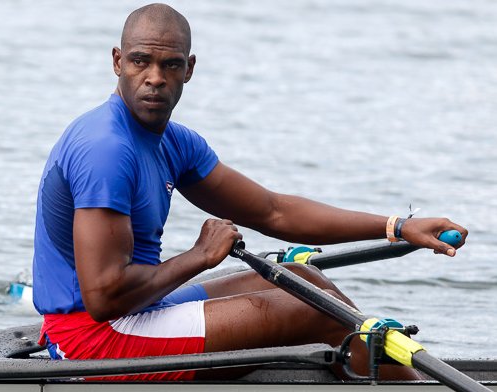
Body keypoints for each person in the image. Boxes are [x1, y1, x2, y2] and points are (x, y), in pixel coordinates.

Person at [32, 3, 467, 382]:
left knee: (305, 282)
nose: (155, 79)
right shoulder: (106, 149)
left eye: (170, 65)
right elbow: (104, 297)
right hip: (90, 341)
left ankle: (362, 370)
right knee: (319, 311)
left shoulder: (174, 142)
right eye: (140, 61)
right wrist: (199, 257)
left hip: (137, 314)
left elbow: (273, 211)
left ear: (190, 69)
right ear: (116, 61)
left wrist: (398, 226)